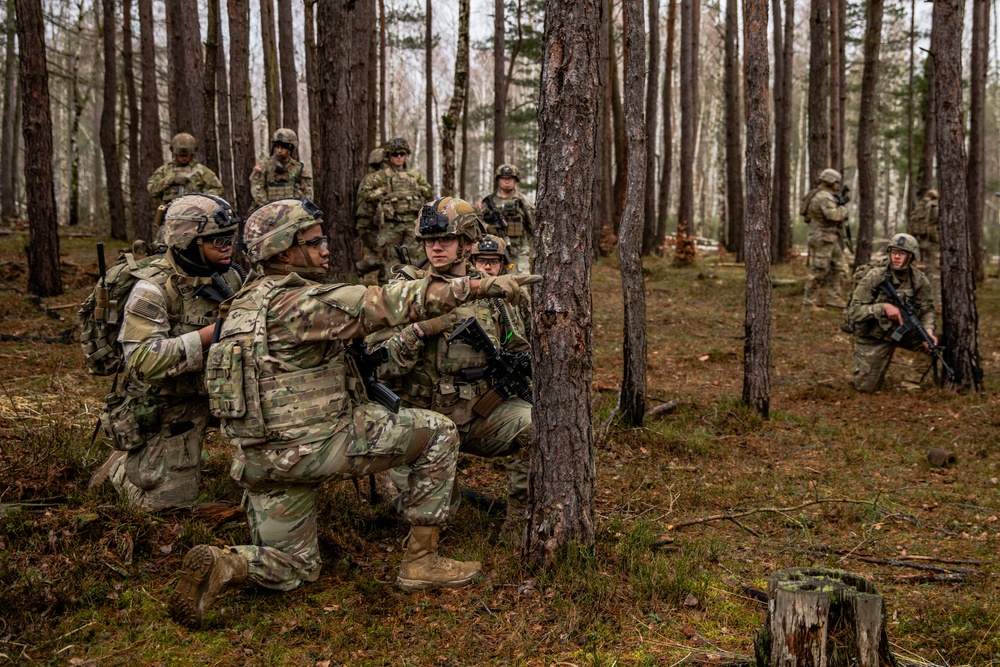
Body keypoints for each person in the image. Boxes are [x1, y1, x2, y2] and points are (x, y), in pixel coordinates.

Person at [169, 198, 538, 627]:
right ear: (285, 252)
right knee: (437, 432)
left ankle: (226, 565)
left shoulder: (241, 305)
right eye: (315, 241)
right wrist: (470, 290)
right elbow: (379, 305)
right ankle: (421, 562)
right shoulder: (301, 303)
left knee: (295, 567)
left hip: (261, 460)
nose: (327, 248)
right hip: (315, 447)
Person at [377, 198, 533, 544]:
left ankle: (519, 528)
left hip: (479, 414)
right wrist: (418, 331)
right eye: (428, 240)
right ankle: (398, 481)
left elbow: (516, 345)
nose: (435, 246)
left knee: (535, 426)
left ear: (466, 243)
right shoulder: (403, 291)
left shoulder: (490, 294)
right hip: (422, 425)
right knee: (428, 516)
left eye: (444, 239)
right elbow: (379, 366)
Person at [92, 194, 244, 509]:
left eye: (231, 236)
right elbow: (143, 361)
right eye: (217, 240)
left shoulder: (231, 277)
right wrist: (210, 334)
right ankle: (121, 467)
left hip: (224, 389)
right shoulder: (153, 289)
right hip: (169, 401)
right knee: (168, 503)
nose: (228, 244)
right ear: (188, 242)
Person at [847, 233, 937, 393]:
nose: (896, 256)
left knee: (933, 343)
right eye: (894, 252)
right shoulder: (875, 276)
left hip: (902, 331)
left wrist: (928, 329)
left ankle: (910, 383)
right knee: (865, 388)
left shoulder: (918, 279)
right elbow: (854, 312)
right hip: (874, 337)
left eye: (901, 253)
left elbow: (927, 309)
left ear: (911, 256)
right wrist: (883, 308)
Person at [357, 138, 433, 282]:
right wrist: (383, 191)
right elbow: (365, 193)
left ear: (406, 156)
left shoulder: (414, 175)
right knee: (391, 259)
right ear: (389, 156)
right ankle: (391, 290)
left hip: (412, 223)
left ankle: (412, 290)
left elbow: (428, 191)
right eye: (395, 154)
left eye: (402, 154)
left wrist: (416, 189)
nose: (399, 157)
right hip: (391, 225)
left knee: (412, 258)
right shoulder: (382, 175)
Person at [801, 168, 850, 310]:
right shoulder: (824, 197)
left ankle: (833, 297)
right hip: (822, 238)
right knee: (818, 270)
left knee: (839, 266)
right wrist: (844, 210)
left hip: (827, 238)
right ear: (830, 181)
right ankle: (808, 303)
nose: (838, 185)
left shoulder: (821, 195)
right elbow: (833, 215)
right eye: (836, 182)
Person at [479, 164, 535, 273]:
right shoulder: (488, 202)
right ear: (498, 180)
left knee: (520, 284)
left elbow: (533, 227)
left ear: (515, 180)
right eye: (504, 179)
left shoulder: (524, 202)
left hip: (519, 251)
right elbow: (478, 223)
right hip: (493, 251)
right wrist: (488, 228)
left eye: (510, 179)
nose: (507, 182)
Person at [147, 133, 224, 211]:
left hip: (195, 214)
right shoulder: (164, 170)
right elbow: (152, 189)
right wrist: (171, 180)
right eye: (181, 155)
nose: (184, 158)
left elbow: (218, 189)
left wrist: (200, 198)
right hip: (169, 214)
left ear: (192, 154)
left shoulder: (202, 171)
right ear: (175, 154)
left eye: (187, 155)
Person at [250, 128, 313, 208]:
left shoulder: (299, 168)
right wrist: (270, 208)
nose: (279, 150)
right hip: (268, 212)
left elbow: (307, 193)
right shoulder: (264, 166)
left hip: (293, 212)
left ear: (290, 148)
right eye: (277, 147)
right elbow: (257, 189)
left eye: (283, 147)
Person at [354, 146, 387, 277]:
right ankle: (356, 269)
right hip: (368, 223)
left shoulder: (370, 178)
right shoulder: (375, 179)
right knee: (379, 257)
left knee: (385, 255)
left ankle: (384, 281)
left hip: (369, 222)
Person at [907, 188, 940, 302]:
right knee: (933, 271)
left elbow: (913, 223)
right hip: (933, 242)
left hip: (920, 241)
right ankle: (933, 299)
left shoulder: (920, 205)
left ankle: (919, 296)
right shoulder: (935, 206)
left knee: (922, 269)